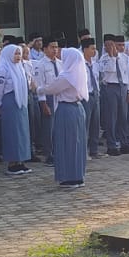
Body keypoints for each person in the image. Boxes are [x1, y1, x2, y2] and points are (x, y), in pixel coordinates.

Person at [42, 42, 90, 188]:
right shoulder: (80, 73)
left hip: (66, 109)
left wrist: (36, 88)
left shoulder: (67, 75)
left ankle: (69, 177)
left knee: (66, 143)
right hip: (78, 109)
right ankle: (77, 175)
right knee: (77, 143)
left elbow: (52, 89)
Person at [0, 44, 33, 173]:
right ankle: (12, 163)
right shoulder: (4, 69)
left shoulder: (20, 68)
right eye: (15, 54)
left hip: (21, 102)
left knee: (22, 131)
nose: (18, 56)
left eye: (19, 54)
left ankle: (21, 160)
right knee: (12, 132)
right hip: (10, 102)